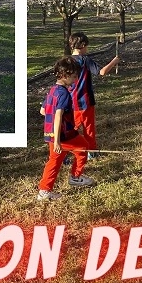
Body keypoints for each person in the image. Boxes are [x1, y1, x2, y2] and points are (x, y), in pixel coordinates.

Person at [66, 32, 119, 185]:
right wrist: (114, 62)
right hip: (85, 102)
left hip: (70, 103)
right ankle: (91, 152)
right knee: (89, 129)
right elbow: (101, 72)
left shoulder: (67, 60)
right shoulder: (85, 60)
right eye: (87, 46)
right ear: (82, 46)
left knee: (72, 129)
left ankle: (69, 152)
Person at [37, 56, 82, 200]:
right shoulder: (64, 94)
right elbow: (58, 116)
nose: (75, 80)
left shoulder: (53, 90)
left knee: (54, 160)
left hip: (51, 134)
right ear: (65, 75)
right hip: (63, 136)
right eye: (74, 77)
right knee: (83, 149)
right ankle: (75, 177)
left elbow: (43, 111)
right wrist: (57, 141)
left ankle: (44, 190)